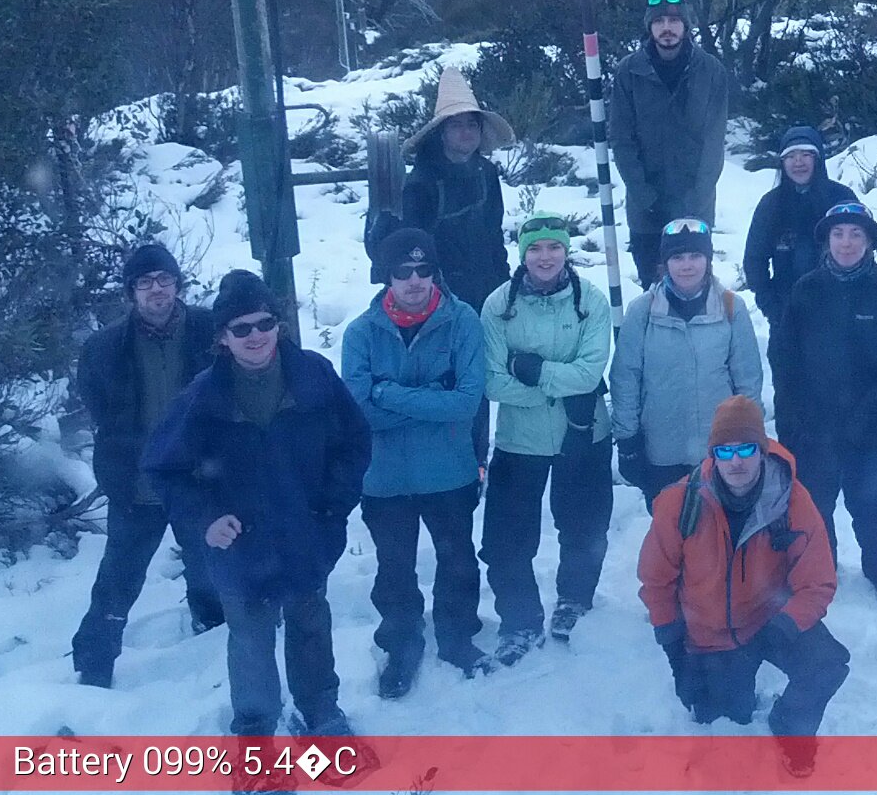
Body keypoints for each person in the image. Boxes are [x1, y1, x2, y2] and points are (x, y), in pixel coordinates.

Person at [143, 272, 371, 738]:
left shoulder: (314, 376)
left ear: (278, 325)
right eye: (240, 328)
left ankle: (320, 714)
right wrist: (206, 518)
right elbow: (163, 469)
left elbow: (354, 443)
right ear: (223, 338)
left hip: (307, 534)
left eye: (264, 323)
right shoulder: (203, 398)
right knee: (250, 642)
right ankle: (254, 735)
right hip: (242, 547)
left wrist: (332, 508)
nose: (255, 336)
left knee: (310, 626)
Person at [637, 395, 848, 771]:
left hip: (770, 621)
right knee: (720, 715)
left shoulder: (792, 500)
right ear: (713, 454)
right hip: (710, 636)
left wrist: (783, 626)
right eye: (725, 451)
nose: (735, 461)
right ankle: (722, 680)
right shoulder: (678, 504)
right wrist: (674, 650)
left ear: (763, 450)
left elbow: (818, 582)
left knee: (827, 665)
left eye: (746, 448)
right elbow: (656, 582)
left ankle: (790, 725)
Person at [340, 228, 490, 697]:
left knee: (457, 559)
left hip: (449, 471)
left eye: (424, 270)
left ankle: (458, 637)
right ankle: (401, 643)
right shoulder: (361, 333)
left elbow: (467, 402)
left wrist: (389, 391)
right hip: (384, 478)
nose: (414, 281)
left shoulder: (462, 321)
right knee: (394, 567)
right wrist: (430, 399)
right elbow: (358, 410)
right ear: (386, 277)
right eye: (403, 271)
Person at [70, 241, 224, 687]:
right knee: (118, 581)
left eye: (165, 279)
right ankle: (94, 665)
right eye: (145, 282)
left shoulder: (207, 330)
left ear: (177, 284)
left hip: (198, 480)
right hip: (135, 485)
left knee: (207, 567)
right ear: (131, 291)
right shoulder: (104, 347)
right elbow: (97, 404)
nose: (157, 289)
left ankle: (210, 635)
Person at [479, 214, 613, 664]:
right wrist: (559, 389)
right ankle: (519, 619)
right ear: (522, 254)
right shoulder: (499, 306)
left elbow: (590, 371)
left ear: (565, 251)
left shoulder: (589, 301)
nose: (545, 257)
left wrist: (533, 370)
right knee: (508, 538)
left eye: (554, 247)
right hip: (521, 439)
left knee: (583, 526)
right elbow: (493, 382)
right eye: (535, 248)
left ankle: (574, 600)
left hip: (584, 434)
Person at [769, 201, 877, 611]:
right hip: (816, 428)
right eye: (838, 234)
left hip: (873, 427)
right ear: (826, 241)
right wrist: (792, 418)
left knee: (876, 503)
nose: (846, 242)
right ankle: (819, 571)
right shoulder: (806, 290)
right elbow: (784, 358)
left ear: (869, 241)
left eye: (855, 234)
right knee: (813, 507)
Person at [401, 67, 513, 468]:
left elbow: (495, 233)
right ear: (441, 132)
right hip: (437, 298)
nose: (466, 132)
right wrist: (434, 297)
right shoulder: (421, 182)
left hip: (485, 291)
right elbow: (414, 248)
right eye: (457, 125)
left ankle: (476, 462)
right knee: (442, 380)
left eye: (472, 124)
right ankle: (445, 461)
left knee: (477, 380)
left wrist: (507, 288)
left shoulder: (487, 173)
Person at [613, 217, 764, 512]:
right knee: (670, 540)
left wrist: (750, 436)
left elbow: (748, 381)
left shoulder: (732, 308)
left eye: (695, 256)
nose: (687, 265)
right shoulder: (642, 311)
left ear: (707, 260)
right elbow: (626, 379)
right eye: (677, 257)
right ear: (664, 263)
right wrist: (628, 440)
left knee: (719, 538)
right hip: (661, 452)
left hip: (721, 451)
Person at [609, 0, 730, 291]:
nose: (667, 28)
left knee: (695, 287)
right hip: (645, 210)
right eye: (659, 21)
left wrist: (697, 197)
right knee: (654, 290)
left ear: (686, 26)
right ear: (649, 27)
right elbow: (622, 140)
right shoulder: (629, 72)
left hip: (696, 205)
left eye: (674, 21)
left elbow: (714, 143)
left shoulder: (711, 71)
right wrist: (643, 195)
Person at [741, 126, 857, 341]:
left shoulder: (840, 197)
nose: (798, 162)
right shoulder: (771, 205)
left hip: (840, 317)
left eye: (806, 154)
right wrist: (772, 307)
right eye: (791, 156)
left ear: (818, 159)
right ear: (782, 162)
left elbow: (861, 251)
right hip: (787, 317)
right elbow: (754, 259)